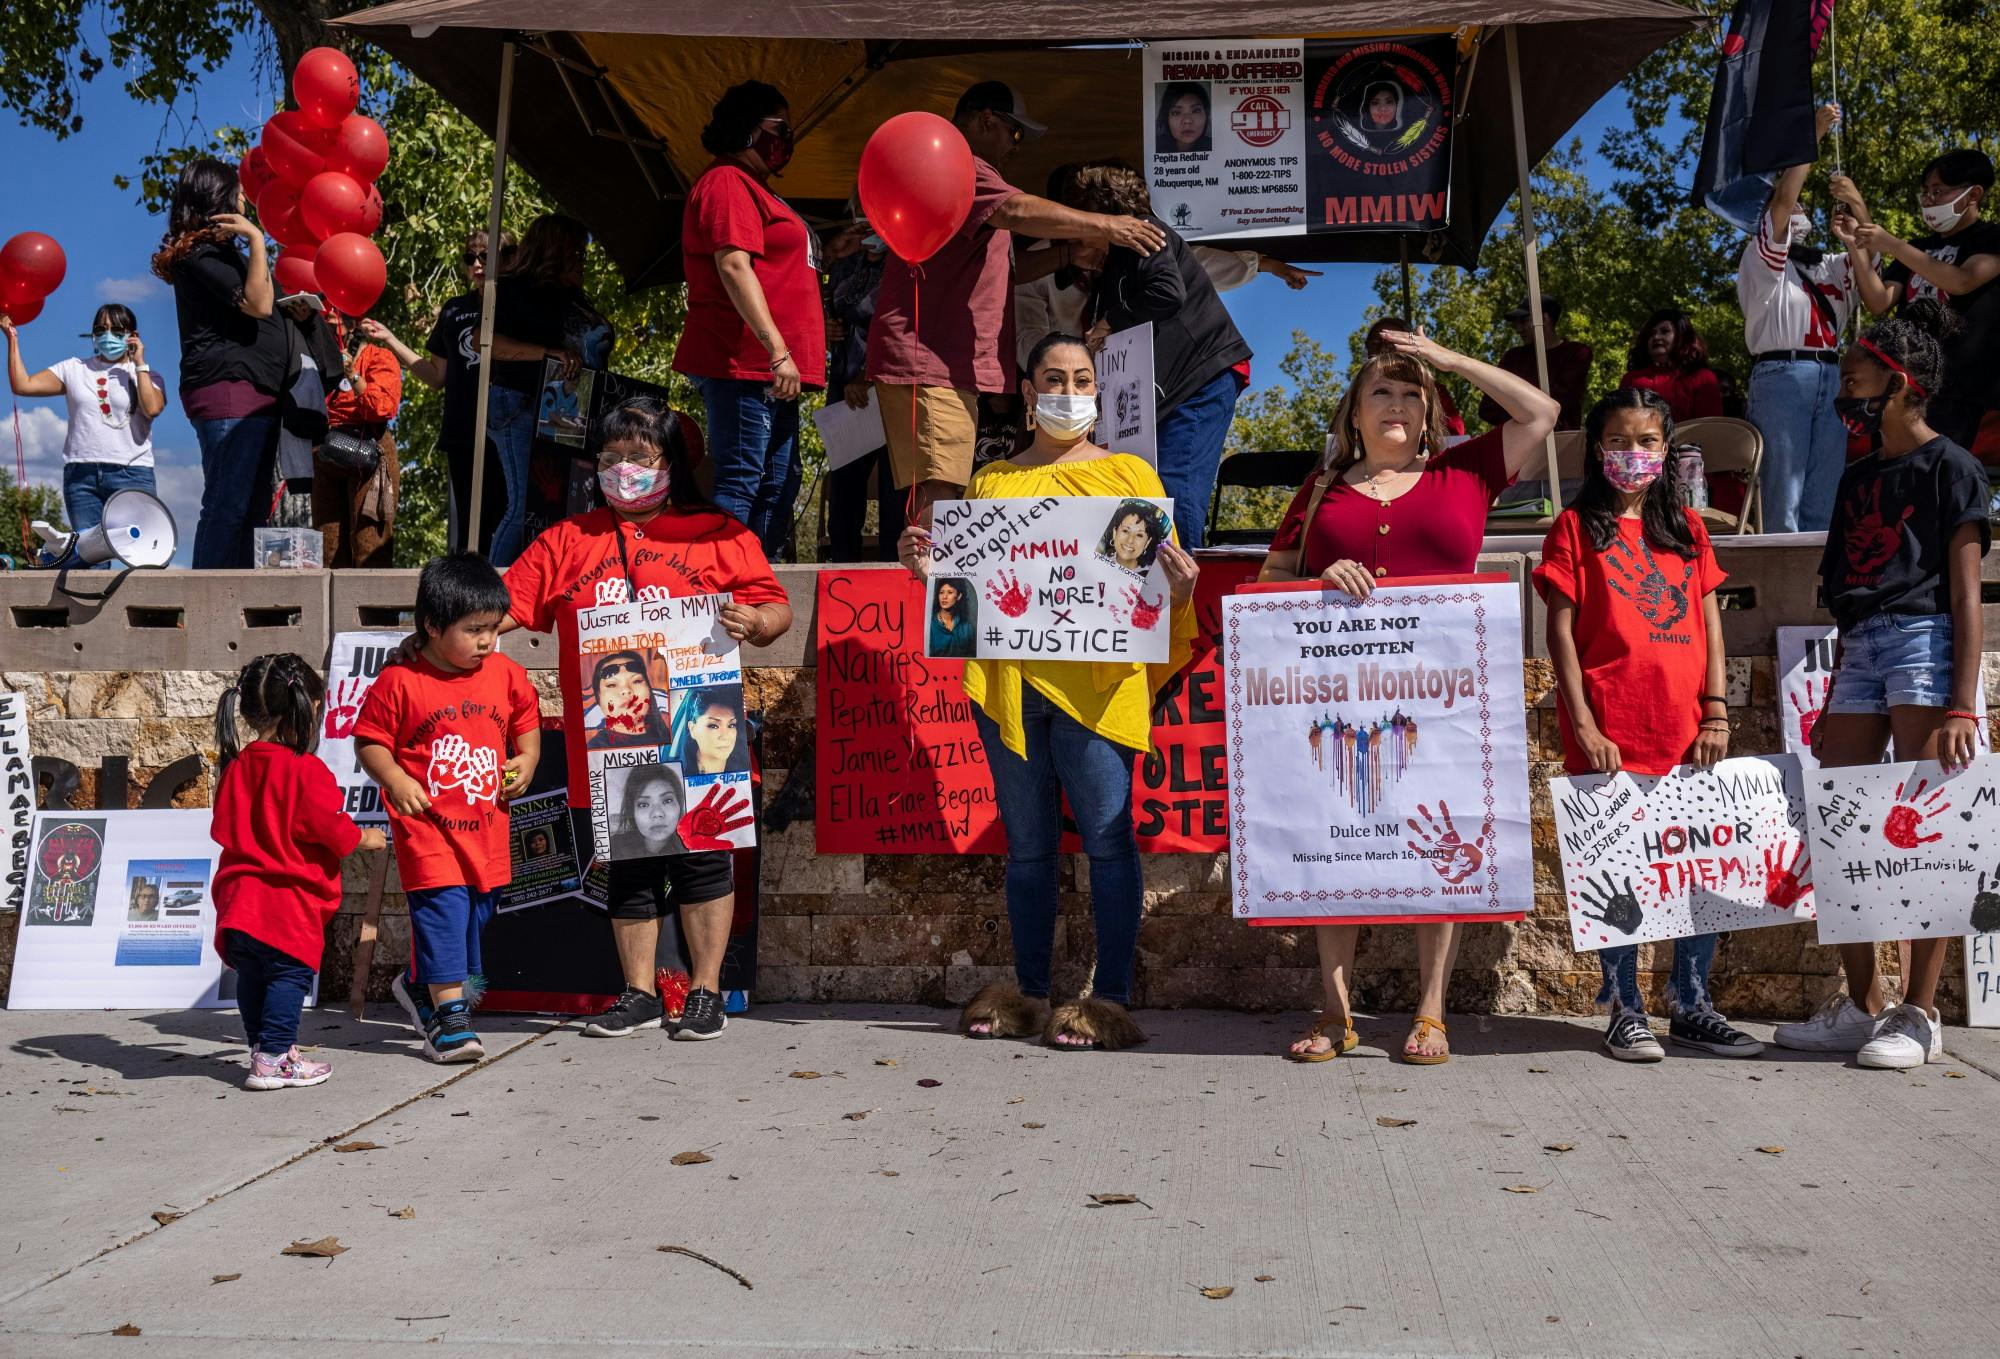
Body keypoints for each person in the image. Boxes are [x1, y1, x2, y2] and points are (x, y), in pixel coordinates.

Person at [1260, 328, 1559, 1064]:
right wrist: (1317, 578)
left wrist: (1447, 361)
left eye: (1411, 394)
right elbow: (1268, 589)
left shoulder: (1466, 473)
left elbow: (1541, 412)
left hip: (1445, 701)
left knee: (1441, 842)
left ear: (1429, 414)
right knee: (1336, 845)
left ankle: (1431, 1011)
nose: (1396, 404)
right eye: (1381, 392)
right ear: (1353, 414)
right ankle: (1334, 1012)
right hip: (1338, 700)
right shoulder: (1320, 489)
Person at [897, 333, 1201, 1050]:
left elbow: (1158, 599)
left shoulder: (1129, 475)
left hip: (1096, 686)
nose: (1070, 389)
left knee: (1107, 838)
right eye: (1054, 378)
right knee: (1028, 845)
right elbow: (970, 602)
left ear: (1097, 393)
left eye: (1082, 378)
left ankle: (1112, 998)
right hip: (1010, 687)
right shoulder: (992, 482)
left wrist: (1182, 589)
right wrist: (933, 576)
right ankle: (1029, 994)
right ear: (1029, 394)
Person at [501, 398, 791, 1041]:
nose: (623, 467)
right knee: (629, 863)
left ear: (671, 463)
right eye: (610, 457)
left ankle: (706, 994)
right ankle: (634, 993)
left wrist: (757, 622)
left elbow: (775, 608)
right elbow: (505, 609)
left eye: (639, 456)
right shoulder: (565, 540)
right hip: (612, 737)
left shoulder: (720, 534)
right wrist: (441, 628)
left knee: (703, 858)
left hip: (697, 727)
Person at [1775, 301, 1989, 1069]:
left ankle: (1920, 1010)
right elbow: (1844, 592)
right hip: (1859, 649)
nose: (1846, 377)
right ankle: (1863, 1003)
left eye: (1858, 366)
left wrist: (1963, 700)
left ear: (1902, 381)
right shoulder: (1859, 474)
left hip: (1926, 643)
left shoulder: (1952, 467)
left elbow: (1967, 596)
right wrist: (1833, 697)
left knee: (1928, 827)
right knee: (1844, 823)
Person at [1534, 387, 1762, 1062]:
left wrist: (1716, 709)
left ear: (1667, 451)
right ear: (1598, 450)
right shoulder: (1574, 530)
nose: (1634, 454)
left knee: (1697, 869)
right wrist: (1584, 722)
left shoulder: (1688, 530)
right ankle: (1623, 1006)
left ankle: (1692, 1003)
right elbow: (1562, 635)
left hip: (1687, 731)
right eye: (1620, 441)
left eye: (1648, 441)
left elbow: (1711, 624)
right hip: (1609, 734)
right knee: (1620, 873)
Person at [867, 82, 1167, 524]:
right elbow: (1019, 211)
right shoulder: (962, 166)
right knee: (941, 490)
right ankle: (933, 588)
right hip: (929, 357)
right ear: (988, 120)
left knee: (941, 485)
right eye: (1015, 133)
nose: (1014, 146)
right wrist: (1108, 224)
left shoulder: (959, 175)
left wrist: (1067, 255)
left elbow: (1005, 270)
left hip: (942, 360)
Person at [354, 553, 542, 1064]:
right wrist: (394, 779)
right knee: (442, 915)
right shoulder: (400, 682)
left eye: (492, 628)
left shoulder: (504, 674)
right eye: (473, 629)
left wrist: (526, 760)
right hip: (427, 831)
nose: (486, 640)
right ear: (433, 628)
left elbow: (527, 717)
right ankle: (451, 1022)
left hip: (486, 830)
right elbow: (369, 740)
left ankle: (419, 984)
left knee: (474, 916)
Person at [210, 652, 387, 1090]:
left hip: (238, 900)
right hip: (284, 903)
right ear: (307, 708)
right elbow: (331, 829)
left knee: (251, 977)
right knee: (288, 977)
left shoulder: (234, 765)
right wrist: (367, 837)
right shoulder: (305, 770)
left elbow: (223, 826)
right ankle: (274, 1059)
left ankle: (263, 1049)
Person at [674, 81, 826, 559]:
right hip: (742, 361)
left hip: (770, 368)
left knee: (779, 483)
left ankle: (758, 583)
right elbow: (733, 264)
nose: (788, 139)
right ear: (746, 126)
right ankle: (724, 592)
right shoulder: (727, 181)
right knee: (743, 480)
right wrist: (777, 350)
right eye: (779, 128)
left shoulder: (756, 188)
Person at [1064, 163, 1251, 549]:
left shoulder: (1144, 232)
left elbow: (1168, 292)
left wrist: (1111, 321)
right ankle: (1145, 591)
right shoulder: (1110, 267)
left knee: (1174, 488)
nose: (1077, 241)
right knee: (1141, 488)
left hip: (1200, 379)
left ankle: (1180, 594)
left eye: (1083, 226)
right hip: (1160, 396)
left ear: (1104, 214)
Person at [148, 156, 280, 568]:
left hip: (257, 390)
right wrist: (257, 240)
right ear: (217, 195)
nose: (245, 197)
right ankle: (207, 606)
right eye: (238, 189)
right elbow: (259, 304)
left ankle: (239, 605)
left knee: (255, 510)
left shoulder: (224, 255)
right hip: (227, 389)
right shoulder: (200, 255)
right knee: (229, 504)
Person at [1833, 149, 2000, 453]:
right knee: (1890, 471)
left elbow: (1962, 281)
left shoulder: (1990, 238)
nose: (1930, 200)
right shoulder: (1917, 248)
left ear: (1974, 193)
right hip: (1900, 386)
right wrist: (1854, 244)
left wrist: (1891, 244)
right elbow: (1879, 300)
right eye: (1925, 192)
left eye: (1938, 191)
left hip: (1956, 389)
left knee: (1936, 474)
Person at [1737, 103, 1853, 532]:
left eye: (1804, 206)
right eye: (1791, 205)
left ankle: (1816, 594)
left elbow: (1872, 254)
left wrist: (1854, 202)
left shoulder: (1833, 265)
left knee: (1824, 496)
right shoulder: (1763, 260)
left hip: (1834, 376)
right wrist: (1813, 137)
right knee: (1782, 501)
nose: (1797, 209)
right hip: (1782, 374)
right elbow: (1783, 199)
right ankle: (1783, 594)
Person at [363, 227, 514, 553]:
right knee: (470, 530)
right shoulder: (454, 309)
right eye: (469, 257)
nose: (476, 264)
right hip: (462, 430)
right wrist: (390, 339)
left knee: (507, 517)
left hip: (508, 428)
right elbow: (435, 376)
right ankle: (467, 599)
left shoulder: (518, 304)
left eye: (485, 256)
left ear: (507, 259)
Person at [487, 214, 613, 566]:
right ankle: (488, 594)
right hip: (521, 403)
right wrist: (551, 355)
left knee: (566, 503)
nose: (583, 260)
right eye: (576, 252)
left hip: (569, 408)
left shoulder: (574, 297)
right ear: (555, 252)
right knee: (526, 503)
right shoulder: (514, 291)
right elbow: (491, 345)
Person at [2, 303, 168, 539]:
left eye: (117, 331)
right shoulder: (73, 368)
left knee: (141, 553)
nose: (108, 337)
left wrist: (139, 363)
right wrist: (12, 338)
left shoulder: (148, 375)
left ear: (133, 336)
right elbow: (23, 385)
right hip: (82, 475)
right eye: (101, 330)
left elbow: (152, 408)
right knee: (91, 558)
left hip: (132, 473)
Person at [822, 216, 904, 562]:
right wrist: (822, 327)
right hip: (846, 393)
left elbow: (908, 325)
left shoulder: (906, 263)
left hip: (891, 389)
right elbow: (820, 299)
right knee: (845, 499)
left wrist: (870, 376)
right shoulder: (846, 259)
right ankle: (842, 583)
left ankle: (895, 586)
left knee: (895, 500)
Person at [313, 309, 402, 567]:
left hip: (370, 450)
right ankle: (331, 608)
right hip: (327, 451)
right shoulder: (316, 361)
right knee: (327, 547)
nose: (327, 317)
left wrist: (352, 375)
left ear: (353, 323)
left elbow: (383, 407)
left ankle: (374, 608)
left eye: (335, 313)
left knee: (370, 543)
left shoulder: (379, 357)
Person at [1479, 296, 1592, 431]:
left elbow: (1560, 401)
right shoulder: (1513, 357)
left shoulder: (1577, 352)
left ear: (1544, 319)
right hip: (1520, 444)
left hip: (1562, 443)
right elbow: (1488, 407)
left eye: (1525, 321)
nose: (1518, 329)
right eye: (1516, 323)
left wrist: (1519, 410)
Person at [1618, 309, 1723, 422]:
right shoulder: (1631, 379)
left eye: (1664, 331)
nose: (1656, 337)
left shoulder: (1703, 378)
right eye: (1651, 334)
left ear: (1682, 337)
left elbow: (1710, 426)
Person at [1366, 316, 1463, 437]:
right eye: (1375, 343)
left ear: (1411, 349)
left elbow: (1454, 435)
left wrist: (1455, 361)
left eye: (1393, 342)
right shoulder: (1353, 395)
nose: (1384, 349)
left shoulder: (1435, 392)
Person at [586, 650, 671, 750]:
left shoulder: (670, 740)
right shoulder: (596, 748)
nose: (626, 690)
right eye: (612, 684)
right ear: (599, 697)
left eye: (636, 681)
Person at [610, 766, 691, 858]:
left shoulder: (694, 847)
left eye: (667, 801)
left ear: (679, 804)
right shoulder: (613, 848)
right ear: (632, 811)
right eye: (643, 804)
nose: (657, 813)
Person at [674, 687, 751, 775]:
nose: (725, 736)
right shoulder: (677, 775)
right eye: (713, 726)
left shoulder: (744, 772)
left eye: (731, 725)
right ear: (692, 729)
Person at [1096, 499, 1169, 572]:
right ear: (1115, 532)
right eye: (1125, 531)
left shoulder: (1151, 575)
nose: (1130, 540)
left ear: (1147, 542)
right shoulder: (1098, 556)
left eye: (1139, 535)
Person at [927, 576, 977, 658]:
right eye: (941, 592)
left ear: (959, 596)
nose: (944, 597)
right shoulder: (930, 625)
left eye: (950, 592)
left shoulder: (967, 628)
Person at [1155, 83, 1211, 154]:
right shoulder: (1155, 146)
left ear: (1206, 114)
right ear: (1167, 118)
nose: (1187, 121)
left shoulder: (1216, 146)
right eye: (1176, 113)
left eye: (1196, 111)